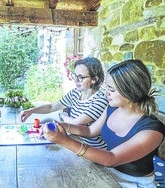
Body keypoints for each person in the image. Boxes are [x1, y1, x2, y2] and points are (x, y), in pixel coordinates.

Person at [42, 59, 165, 187]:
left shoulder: (152, 130)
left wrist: (65, 141)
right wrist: (63, 125)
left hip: (134, 182)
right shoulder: (112, 109)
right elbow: (90, 131)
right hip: (108, 173)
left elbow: (111, 158)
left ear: (131, 91)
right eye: (106, 87)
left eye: (111, 89)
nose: (106, 93)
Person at [19, 57, 108, 149]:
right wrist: (30, 111)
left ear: (94, 79)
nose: (76, 80)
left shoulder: (100, 100)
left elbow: (75, 124)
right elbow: (51, 107)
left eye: (81, 77)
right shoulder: (75, 93)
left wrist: (63, 115)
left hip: (93, 150)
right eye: (75, 76)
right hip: (76, 141)